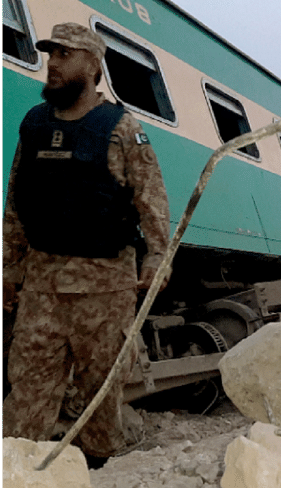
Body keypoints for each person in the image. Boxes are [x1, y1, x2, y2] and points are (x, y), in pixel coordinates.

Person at [1, 23, 171, 465]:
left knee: (100, 395)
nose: (51, 64)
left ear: (93, 65)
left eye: (64, 55)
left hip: (105, 288)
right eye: (50, 54)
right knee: (27, 391)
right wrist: (8, 269)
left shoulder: (121, 129)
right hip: (42, 287)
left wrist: (157, 258)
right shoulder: (34, 124)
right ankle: (20, 476)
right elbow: (17, 204)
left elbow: (151, 201)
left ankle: (99, 471)